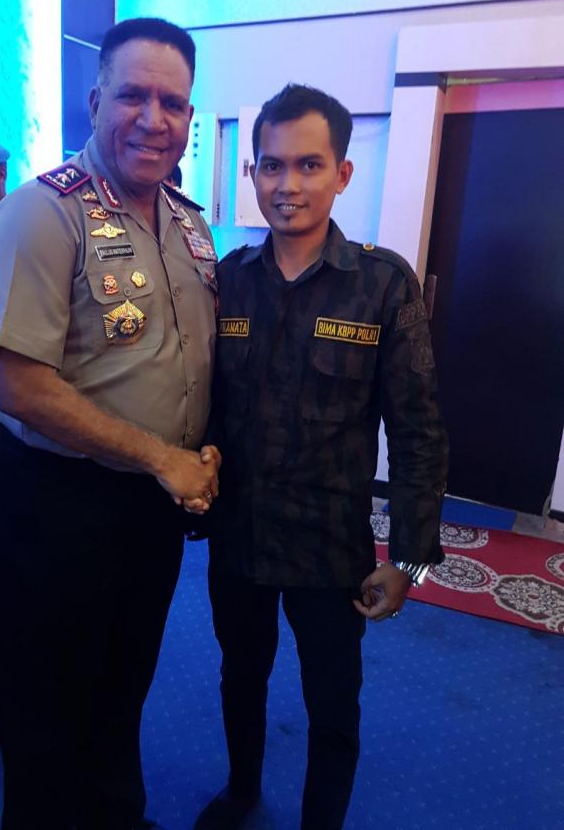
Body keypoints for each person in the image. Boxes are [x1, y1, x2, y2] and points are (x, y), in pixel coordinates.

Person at [0, 17, 221, 830]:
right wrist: (161, 455)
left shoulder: (188, 223)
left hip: (149, 507)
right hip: (56, 505)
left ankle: (116, 816)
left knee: (123, 686)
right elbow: (19, 386)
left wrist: (195, 453)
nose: (153, 119)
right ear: (94, 102)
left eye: (172, 103)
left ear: (189, 117)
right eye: (132, 96)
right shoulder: (42, 215)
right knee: (46, 708)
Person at [195, 84, 448, 830]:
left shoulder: (381, 283)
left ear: (342, 173)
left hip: (330, 547)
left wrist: (410, 561)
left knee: (333, 704)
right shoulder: (228, 279)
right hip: (239, 537)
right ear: (253, 172)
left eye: (309, 165)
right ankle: (242, 790)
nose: (289, 185)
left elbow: (418, 430)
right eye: (272, 166)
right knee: (239, 677)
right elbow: (205, 407)